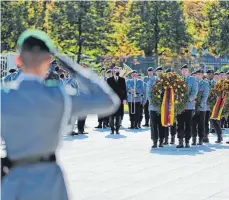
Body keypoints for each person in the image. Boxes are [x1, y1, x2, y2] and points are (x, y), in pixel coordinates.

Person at [1, 29, 120, 200]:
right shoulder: (58, 96)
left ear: (18, 60)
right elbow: (109, 101)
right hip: (50, 183)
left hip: (14, 183)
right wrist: (75, 69)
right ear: (48, 61)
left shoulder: (3, 98)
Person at [176, 64, 198, 148]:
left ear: (188, 71)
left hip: (189, 105)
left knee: (188, 124)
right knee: (180, 124)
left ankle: (187, 141)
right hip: (179, 106)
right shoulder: (178, 79)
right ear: (181, 71)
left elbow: (195, 91)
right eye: (183, 70)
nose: (184, 71)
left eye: (185, 70)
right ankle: (180, 141)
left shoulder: (192, 79)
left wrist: (188, 99)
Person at [148, 67, 165, 148]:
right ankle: (154, 141)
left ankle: (161, 140)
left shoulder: (166, 80)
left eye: (160, 71)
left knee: (162, 124)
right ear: (155, 72)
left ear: (163, 72)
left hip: (163, 105)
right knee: (153, 124)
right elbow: (148, 91)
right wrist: (152, 100)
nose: (159, 72)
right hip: (153, 106)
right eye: (158, 71)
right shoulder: (152, 80)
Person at [107, 66, 127, 134]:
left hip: (120, 100)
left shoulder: (122, 79)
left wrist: (124, 99)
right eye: (115, 69)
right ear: (113, 71)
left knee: (119, 115)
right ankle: (112, 129)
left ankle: (117, 129)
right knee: (111, 115)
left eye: (117, 69)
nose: (116, 70)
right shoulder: (109, 79)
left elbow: (124, 90)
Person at [192, 69, 209, 145]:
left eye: (199, 74)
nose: (198, 76)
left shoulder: (205, 84)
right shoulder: (193, 83)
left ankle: (200, 139)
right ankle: (194, 139)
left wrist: (200, 105)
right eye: (197, 74)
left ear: (202, 75)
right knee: (193, 123)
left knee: (201, 124)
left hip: (201, 108)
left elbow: (205, 96)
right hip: (193, 107)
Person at [164, 68, 176, 145]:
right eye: (167, 73)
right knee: (165, 120)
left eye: (170, 73)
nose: (169, 75)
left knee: (173, 121)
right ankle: (165, 138)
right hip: (165, 103)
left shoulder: (176, 82)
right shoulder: (163, 82)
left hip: (173, 103)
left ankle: (172, 137)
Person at [204, 69, 216, 142]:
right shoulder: (204, 82)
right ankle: (205, 136)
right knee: (205, 120)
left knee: (214, 119)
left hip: (213, 104)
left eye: (211, 74)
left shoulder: (215, 83)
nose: (210, 75)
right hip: (205, 104)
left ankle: (215, 131)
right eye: (209, 74)